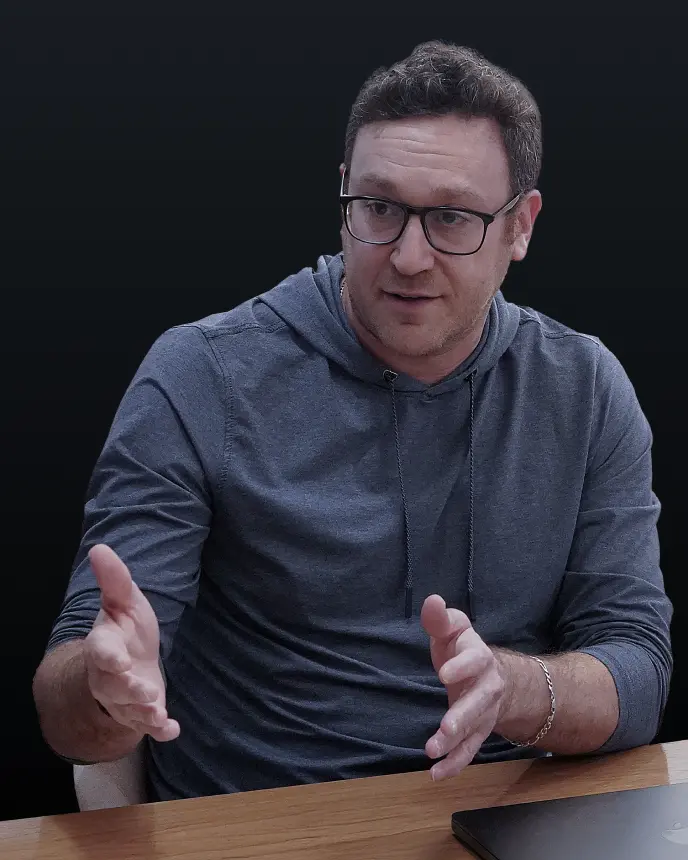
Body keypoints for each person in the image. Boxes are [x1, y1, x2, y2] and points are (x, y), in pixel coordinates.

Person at [33, 40, 672, 801]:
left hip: (501, 821)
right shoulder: (201, 374)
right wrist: (106, 692)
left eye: (450, 218)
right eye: (378, 208)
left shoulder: (584, 388)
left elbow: (637, 669)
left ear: (520, 225)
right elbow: (68, 710)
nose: (407, 256)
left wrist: (512, 687)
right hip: (265, 824)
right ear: (343, 194)